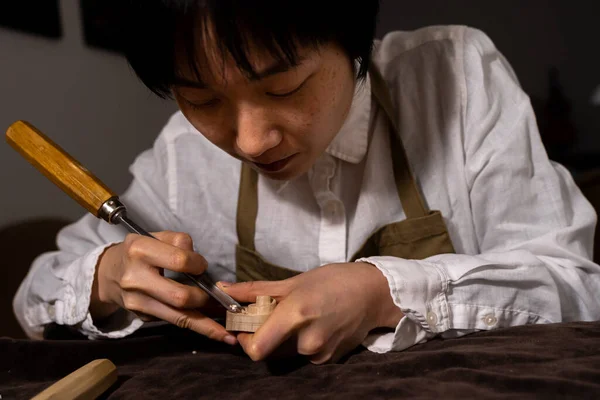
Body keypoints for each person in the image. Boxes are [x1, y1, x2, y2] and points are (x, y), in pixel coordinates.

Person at [13, 0, 600, 364]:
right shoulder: (182, 154)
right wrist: (107, 279)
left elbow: (576, 286)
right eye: (201, 98)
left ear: (351, 40)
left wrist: (382, 293)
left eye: (284, 89)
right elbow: (35, 296)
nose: (248, 141)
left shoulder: (456, 76)